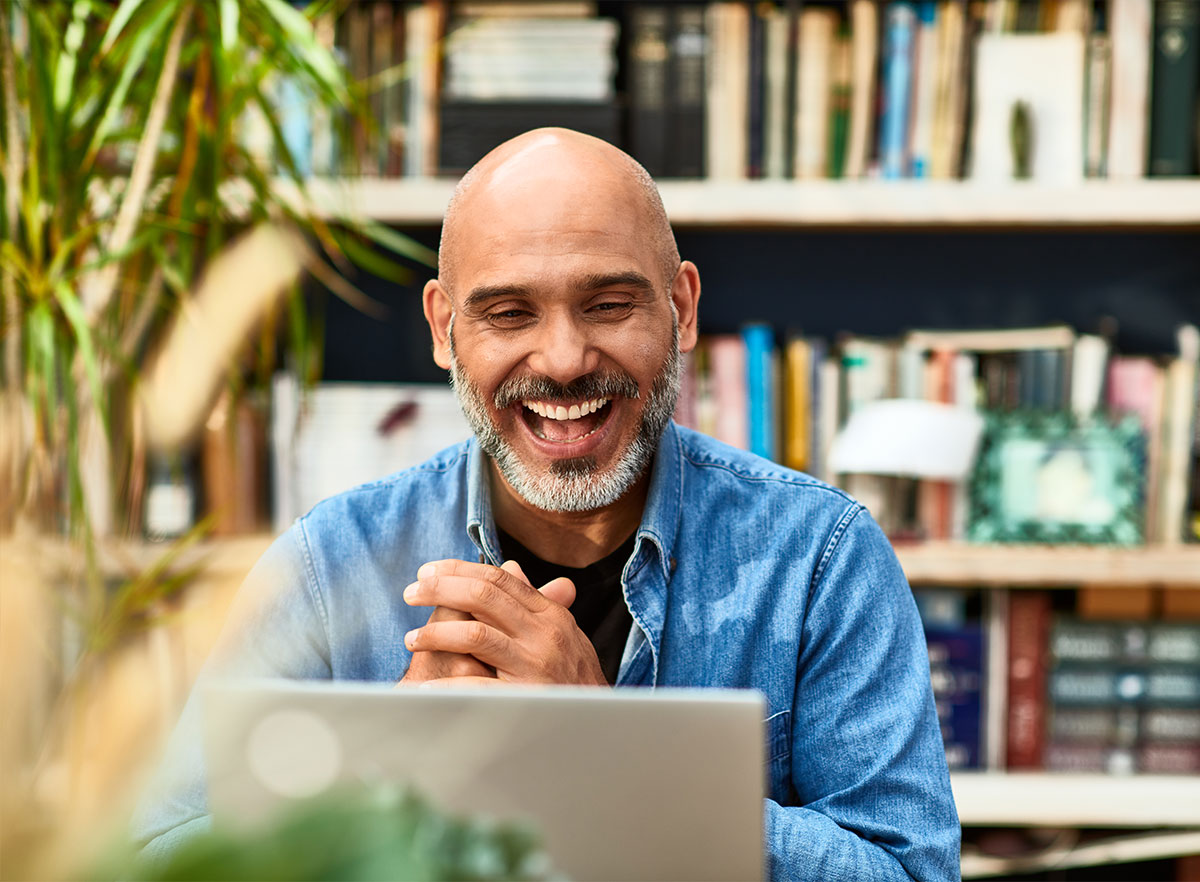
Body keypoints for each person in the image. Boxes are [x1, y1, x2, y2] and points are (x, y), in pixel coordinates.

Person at [134, 128, 960, 880]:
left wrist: (607, 755)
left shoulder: (821, 558)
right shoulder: (328, 565)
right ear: (442, 328)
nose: (563, 360)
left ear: (682, 309)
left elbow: (911, 875)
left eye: (608, 304)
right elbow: (160, 859)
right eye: (508, 313)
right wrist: (379, 783)